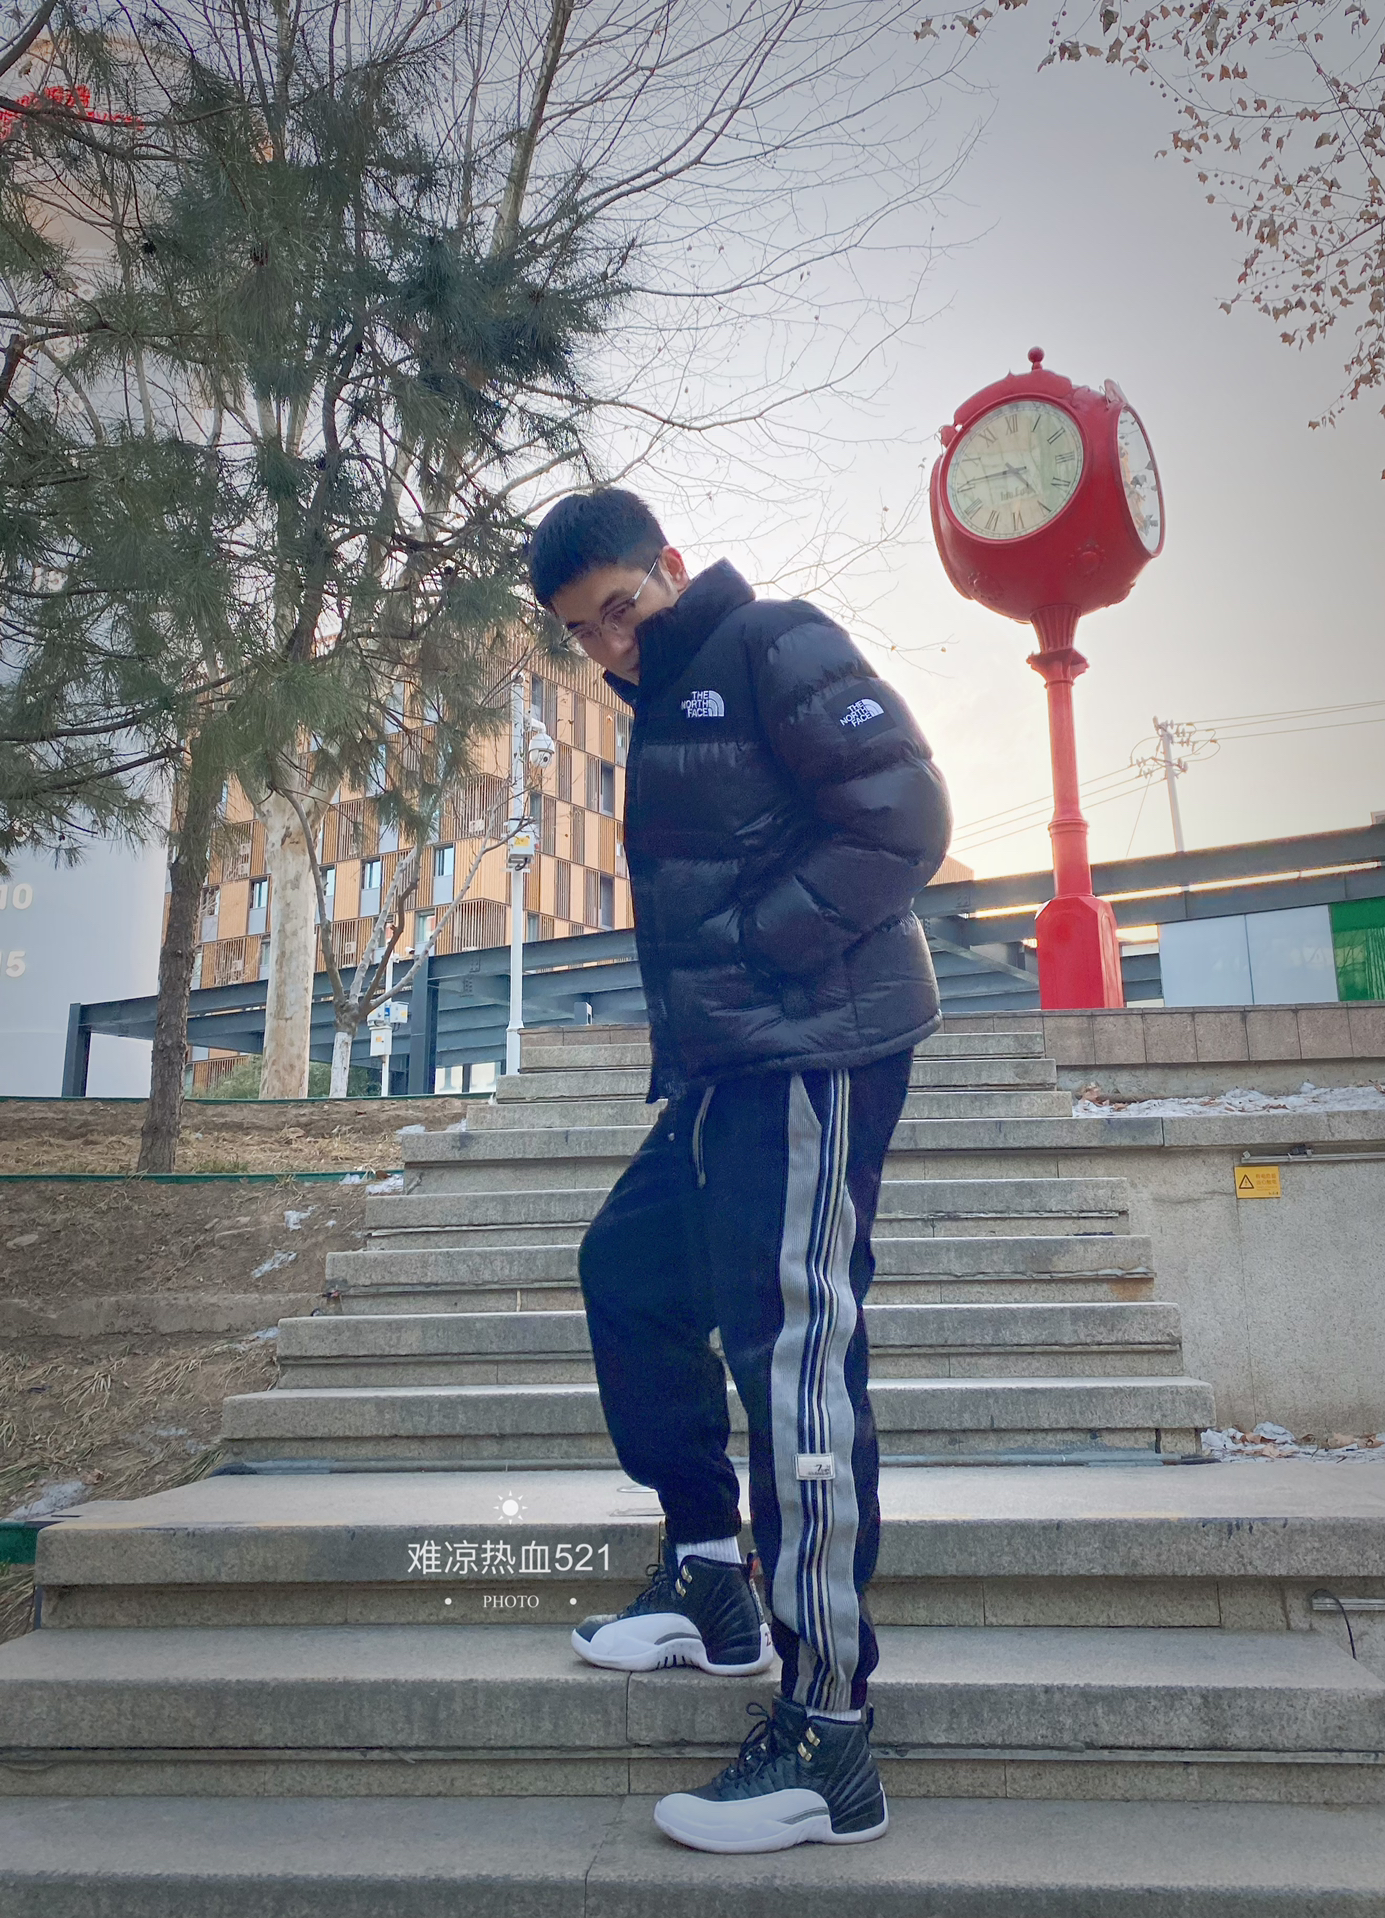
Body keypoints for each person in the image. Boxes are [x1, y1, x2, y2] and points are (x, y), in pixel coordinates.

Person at [526, 489, 951, 1854]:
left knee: (791, 1354)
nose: (612, 642)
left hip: (815, 1048)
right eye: (585, 631)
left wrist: (767, 946)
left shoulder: (773, 639)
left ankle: (828, 1733)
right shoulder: (661, 700)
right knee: (628, 1272)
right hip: (725, 1066)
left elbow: (904, 814)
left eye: (621, 608)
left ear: (667, 566)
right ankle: (711, 1572)